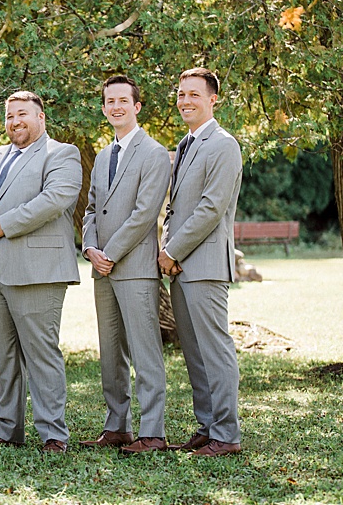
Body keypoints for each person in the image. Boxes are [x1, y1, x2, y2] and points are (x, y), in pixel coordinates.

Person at [0, 91, 81, 453]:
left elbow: (54, 200)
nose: (15, 121)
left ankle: (53, 434)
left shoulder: (62, 154)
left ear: (41, 117)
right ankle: (8, 428)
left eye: (23, 114)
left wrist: (3, 224)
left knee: (41, 352)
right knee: (4, 354)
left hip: (38, 270)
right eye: (10, 115)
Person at [79, 75, 172, 454]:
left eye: (123, 100)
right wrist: (89, 248)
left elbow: (144, 214)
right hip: (101, 268)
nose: (115, 106)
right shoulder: (103, 156)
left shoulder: (154, 153)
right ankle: (117, 426)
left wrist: (110, 253)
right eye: (109, 101)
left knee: (144, 351)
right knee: (110, 351)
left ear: (136, 106)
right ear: (104, 108)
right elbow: (89, 209)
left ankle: (154, 432)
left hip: (133, 268)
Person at [159, 67, 243, 457]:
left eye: (194, 94)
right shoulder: (187, 142)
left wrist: (172, 251)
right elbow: (177, 208)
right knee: (193, 352)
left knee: (214, 349)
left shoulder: (223, 144)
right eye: (181, 94)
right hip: (181, 266)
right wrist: (170, 251)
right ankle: (207, 426)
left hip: (205, 264)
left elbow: (211, 209)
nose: (185, 101)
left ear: (213, 99)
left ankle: (227, 435)